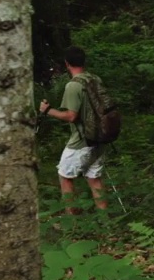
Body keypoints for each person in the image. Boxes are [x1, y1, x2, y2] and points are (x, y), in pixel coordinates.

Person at [39, 46, 108, 213]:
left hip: (81, 140)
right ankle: (106, 221)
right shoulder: (94, 79)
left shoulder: (73, 86)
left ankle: (72, 222)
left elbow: (71, 116)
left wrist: (48, 111)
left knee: (65, 176)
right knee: (94, 178)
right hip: (99, 136)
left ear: (67, 63)